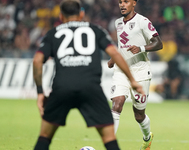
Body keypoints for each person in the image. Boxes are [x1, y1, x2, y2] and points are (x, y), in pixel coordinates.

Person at [32, 0, 145, 150]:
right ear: (81, 14)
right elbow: (115, 53)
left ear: (60, 16)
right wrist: (132, 80)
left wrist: (40, 92)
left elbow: (37, 60)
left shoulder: (53, 33)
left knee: (44, 137)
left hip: (62, 87)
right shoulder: (95, 30)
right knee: (109, 138)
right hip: (90, 88)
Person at [108, 0, 163, 150]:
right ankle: (109, 145)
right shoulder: (118, 23)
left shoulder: (143, 21)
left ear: (134, 3)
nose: (122, 5)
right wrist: (115, 58)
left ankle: (147, 138)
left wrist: (141, 48)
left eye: (126, 1)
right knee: (116, 104)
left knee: (139, 115)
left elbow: (159, 43)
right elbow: (122, 45)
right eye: (120, 2)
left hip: (140, 72)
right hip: (122, 71)